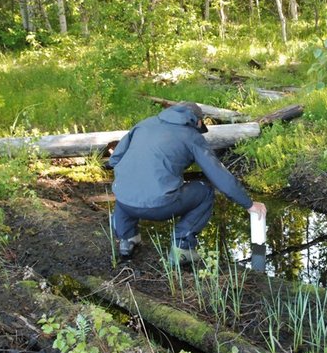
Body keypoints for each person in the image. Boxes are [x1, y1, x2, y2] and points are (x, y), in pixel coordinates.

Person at [108, 101, 267, 264]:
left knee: (127, 189)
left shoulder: (144, 124)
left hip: (125, 202)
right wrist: (248, 203)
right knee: (205, 191)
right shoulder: (191, 137)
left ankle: (127, 239)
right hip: (160, 206)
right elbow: (218, 174)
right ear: (197, 121)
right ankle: (182, 248)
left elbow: (114, 159)